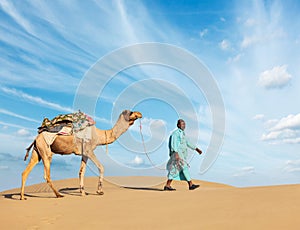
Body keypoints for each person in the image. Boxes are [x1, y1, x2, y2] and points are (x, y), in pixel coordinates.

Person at [164, 119, 202, 191]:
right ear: (178, 125)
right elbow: (173, 143)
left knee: (175, 170)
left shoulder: (183, 133)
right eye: (182, 124)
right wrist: (176, 154)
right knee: (184, 167)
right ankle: (190, 184)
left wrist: (196, 149)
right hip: (177, 154)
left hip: (182, 154)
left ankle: (167, 185)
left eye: (184, 124)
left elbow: (187, 142)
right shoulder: (176, 133)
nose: (184, 125)